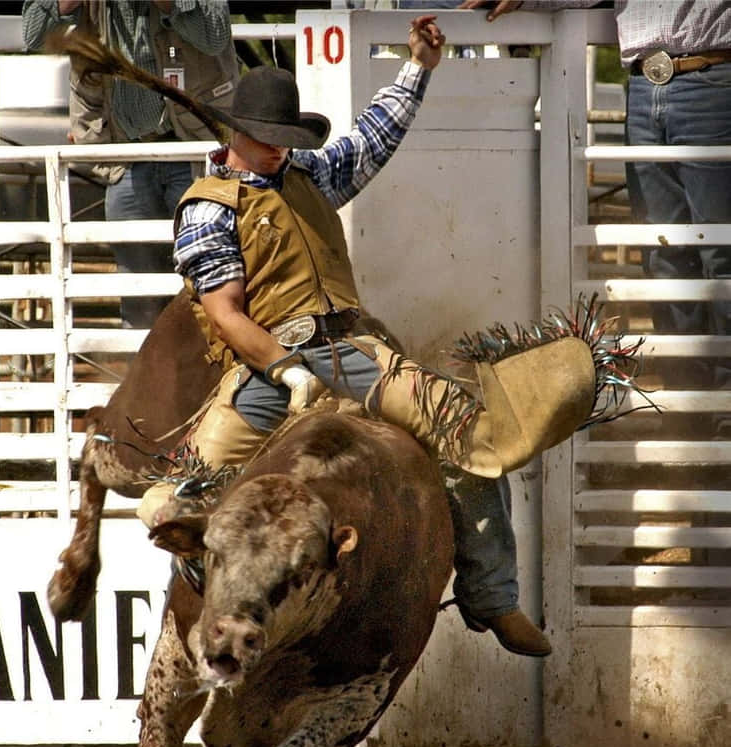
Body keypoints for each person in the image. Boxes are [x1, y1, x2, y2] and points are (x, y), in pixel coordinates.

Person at [135, 13, 615, 658]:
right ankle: (192, 629)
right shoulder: (208, 207)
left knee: (471, 437)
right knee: (189, 497)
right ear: (233, 133)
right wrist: (285, 369)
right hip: (269, 362)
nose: (277, 147)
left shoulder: (306, 174)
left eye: (284, 136)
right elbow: (226, 313)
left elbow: (373, 138)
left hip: (352, 350)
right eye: (265, 137)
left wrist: (417, 65)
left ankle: (493, 599)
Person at [461, 0, 731, 403]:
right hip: (646, 83)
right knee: (663, 252)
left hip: (708, 76)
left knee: (720, 252)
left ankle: (720, 404)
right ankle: (688, 399)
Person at [22, 0, 239, 329]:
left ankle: (211, 374)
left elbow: (214, 35)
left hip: (195, 154)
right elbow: (33, 35)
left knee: (207, 283)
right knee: (138, 295)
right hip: (126, 158)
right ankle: (143, 373)